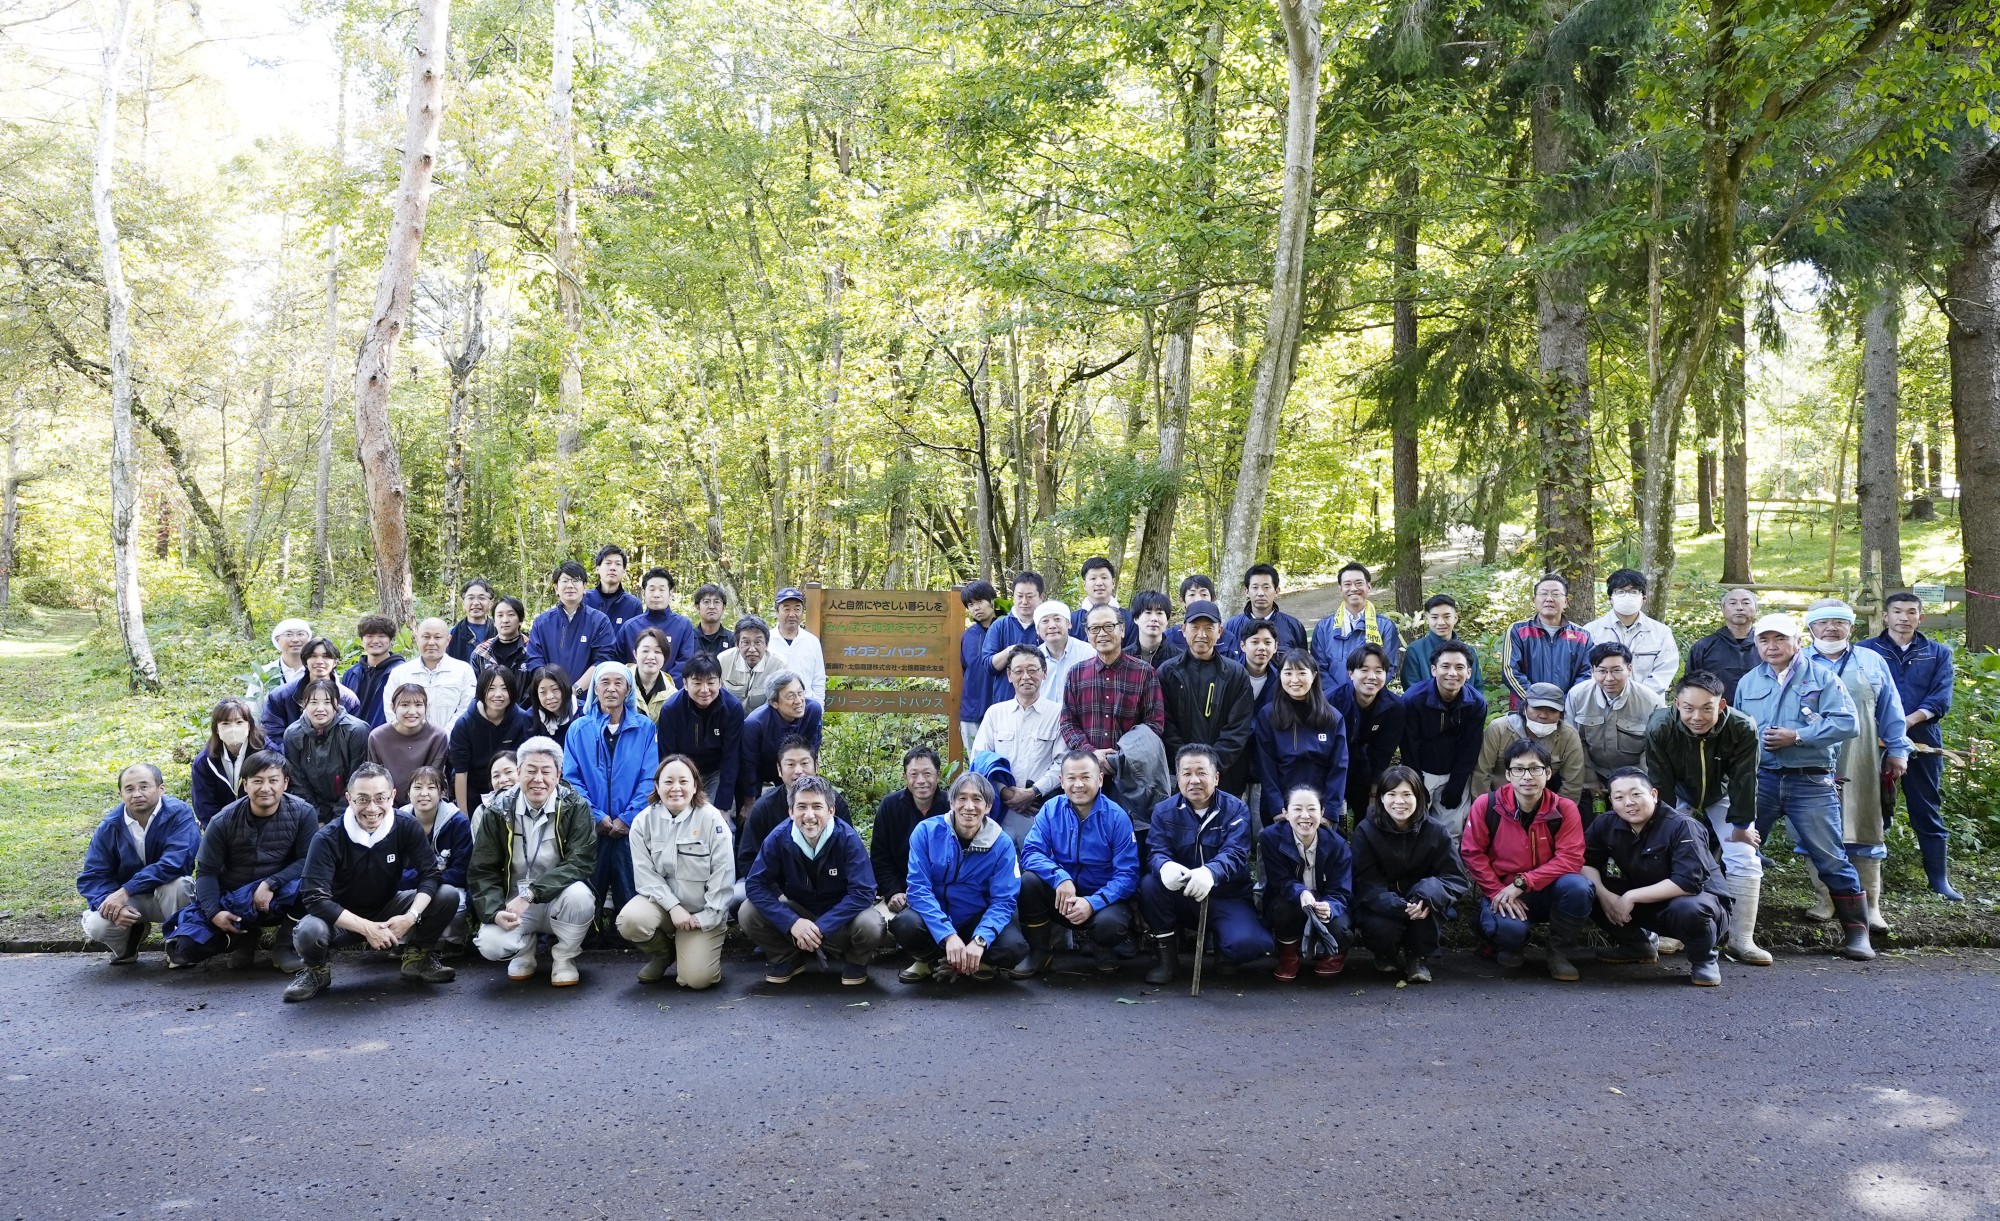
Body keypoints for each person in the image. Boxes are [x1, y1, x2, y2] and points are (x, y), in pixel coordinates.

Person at [1730, 612, 1870, 960]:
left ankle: (1857, 933)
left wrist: (1799, 736)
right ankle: (1726, 929)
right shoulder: (1748, 682)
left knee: (1831, 858)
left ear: (1797, 641)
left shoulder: (1823, 678)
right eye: (1764, 640)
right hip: (1760, 780)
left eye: (1780, 639)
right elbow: (1737, 730)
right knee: (1736, 850)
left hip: (1811, 779)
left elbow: (1848, 724)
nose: (1772, 646)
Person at [284, 764, 458, 1001]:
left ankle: (419, 956)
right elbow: (314, 897)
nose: (372, 808)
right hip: (340, 917)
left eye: (380, 798)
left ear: (393, 796)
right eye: (362, 799)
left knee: (446, 895)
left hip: (388, 906)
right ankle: (316, 971)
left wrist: (411, 916)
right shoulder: (327, 837)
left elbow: (431, 873)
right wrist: (366, 928)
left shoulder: (406, 825)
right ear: (349, 798)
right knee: (308, 930)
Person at [1802, 600, 1911, 933]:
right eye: (1823, 623)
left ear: (1852, 627)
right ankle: (1826, 900)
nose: (1831, 628)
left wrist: (1898, 750)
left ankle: (1871, 905)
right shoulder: (1797, 661)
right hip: (1810, 758)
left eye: (1840, 622)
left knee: (1864, 826)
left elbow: (1891, 709)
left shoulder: (1871, 660)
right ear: (1810, 629)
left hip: (1861, 757)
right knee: (1814, 829)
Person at [1645, 673, 1769, 964]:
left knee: (1745, 855)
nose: (1696, 716)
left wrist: (1741, 826)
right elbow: (1659, 780)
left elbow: (1745, 779)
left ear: (1721, 705)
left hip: (1722, 791)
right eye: (1688, 708)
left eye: (1706, 708)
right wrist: (1664, 825)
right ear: (1676, 704)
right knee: (1664, 851)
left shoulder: (1742, 726)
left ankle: (1741, 940)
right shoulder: (1660, 725)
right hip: (1677, 791)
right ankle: (1671, 930)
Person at [163, 751, 315, 970]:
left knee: (314, 883)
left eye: (273, 781)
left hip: (282, 894)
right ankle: (243, 938)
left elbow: (306, 860)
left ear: (285, 783)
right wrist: (214, 912)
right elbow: (206, 872)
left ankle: (285, 947)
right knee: (186, 949)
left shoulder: (303, 813)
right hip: (236, 898)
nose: (265, 788)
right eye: (257, 781)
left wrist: (271, 882)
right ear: (245, 784)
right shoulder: (222, 820)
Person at [468, 736, 598, 984]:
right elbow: (482, 870)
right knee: (490, 944)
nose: (538, 779)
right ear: (518, 772)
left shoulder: (575, 806)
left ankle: (564, 958)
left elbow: (580, 863)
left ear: (558, 775)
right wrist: (495, 912)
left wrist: (532, 894)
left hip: (557, 899)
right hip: (512, 902)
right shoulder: (496, 810)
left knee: (581, 897)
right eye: (530, 770)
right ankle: (524, 951)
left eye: (546, 771)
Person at [1583, 769, 1732, 986]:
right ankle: (1636, 946)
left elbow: (1688, 882)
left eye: (1636, 794)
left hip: (1700, 904)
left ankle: (1704, 960)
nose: (1628, 803)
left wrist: (1631, 896)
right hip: (1649, 900)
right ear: (1611, 801)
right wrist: (1605, 896)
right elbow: (1586, 862)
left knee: (1687, 908)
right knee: (1586, 889)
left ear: (1653, 794)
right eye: (1619, 797)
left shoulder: (1682, 825)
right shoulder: (1605, 824)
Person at [1139, 745, 1272, 985]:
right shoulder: (1163, 811)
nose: (1194, 780)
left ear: (1216, 777)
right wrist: (1165, 866)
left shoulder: (1236, 809)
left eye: (1202, 772)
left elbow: (1235, 853)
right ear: (1177, 778)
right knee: (1150, 885)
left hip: (1227, 895)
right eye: (1186, 773)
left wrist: (1210, 873)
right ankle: (1167, 960)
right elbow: (1156, 852)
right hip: (1183, 896)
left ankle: (1224, 950)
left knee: (1251, 944)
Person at [1460, 738, 1592, 980]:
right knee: (1509, 932)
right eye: (1519, 769)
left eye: (1535, 768)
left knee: (1579, 887)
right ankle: (1507, 941)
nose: (1527, 776)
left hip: (1548, 890)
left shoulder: (1563, 809)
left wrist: (1522, 883)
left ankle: (1559, 953)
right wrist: (1497, 890)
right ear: (1508, 774)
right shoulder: (1487, 805)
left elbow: (1571, 859)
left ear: (1548, 773)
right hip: (1503, 888)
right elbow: (1472, 852)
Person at [1861, 590, 1960, 899]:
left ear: (1921, 617)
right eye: (1898, 611)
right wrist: (1884, 727)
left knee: (1926, 806)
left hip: (1923, 739)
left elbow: (1940, 698)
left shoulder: (1938, 653)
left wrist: (1904, 722)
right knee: (1870, 807)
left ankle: (1939, 880)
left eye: (1911, 612)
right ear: (1886, 616)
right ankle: (1869, 881)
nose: (1904, 617)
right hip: (1871, 739)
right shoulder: (1864, 651)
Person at [741, 775, 886, 985]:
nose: (809, 815)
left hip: (841, 919)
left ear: (831, 810)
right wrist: (792, 923)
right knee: (748, 911)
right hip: (800, 911)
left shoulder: (847, 839)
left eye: (817, 806)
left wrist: (822, 927)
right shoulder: (778, 837)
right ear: (791, 812)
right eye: (801, 807)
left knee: (871, 924)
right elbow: (755, 884)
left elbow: (864, 892)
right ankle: (788, 959)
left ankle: (856, 962)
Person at [892, 772, 1027, 982]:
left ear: (989, 806)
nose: (969, 806)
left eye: (977, 799)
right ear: (952, 802)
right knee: (905, 924)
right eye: (962, 798)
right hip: (936, 920)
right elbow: (918, 890)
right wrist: (947, 935)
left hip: (976, 919)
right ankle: (932, 960)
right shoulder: (926, 832)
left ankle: (969, 960)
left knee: (1015, 948)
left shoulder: (1002, 844)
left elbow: (1004, 901)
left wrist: (980, 940)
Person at [1016, 750, 1141, 976]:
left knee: (1110, 925)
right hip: (1064, 895)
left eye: (1086, 777)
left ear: (1100, 779)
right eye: (1071, 778)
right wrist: (1060, 877)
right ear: (1062, 781)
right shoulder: (1051, 809)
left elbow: (1128, 875)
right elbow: (1031, 852)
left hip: (1102, 899)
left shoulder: (1117, 816)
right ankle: (1040, 953)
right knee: (1028, 882)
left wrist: (1093, 902)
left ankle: (1101, 947)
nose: (1078, 784)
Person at [615, 755, 734, 989]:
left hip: (701, 913)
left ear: (695, 785)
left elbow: (723, 878)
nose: (676, 788)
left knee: (697, 980)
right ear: (657, 787)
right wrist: (674, 907)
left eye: (683, 781)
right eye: (668, 782)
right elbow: (645, 875)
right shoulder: (642, 822)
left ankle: (690, 949)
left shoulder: (712, 821)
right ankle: (663, 954)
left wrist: (704, 918)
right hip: (664, 907)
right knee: (630, 921)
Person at [563, 662, 660, 935]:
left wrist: (626, 818)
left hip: (630, 826)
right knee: (589, 885)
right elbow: (571, 779)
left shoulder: (645, 727)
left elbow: (649, 777)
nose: (611, 688)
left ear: (629, 689)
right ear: (595, 688)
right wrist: (596, 816)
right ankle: (588, 936)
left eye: (619, 682)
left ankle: (628, 936)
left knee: (628, 884)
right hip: (590, 824)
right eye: (605, 682)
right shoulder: (579, 729)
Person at [1349, 766, 1467, 983]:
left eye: (1406, 794)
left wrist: (1426, 897)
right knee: (1380, 928)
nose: (1399, 801)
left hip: (1421, 900)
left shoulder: (1436, 831)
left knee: (1427, 907)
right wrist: (1396, 905)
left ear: (1418, 796)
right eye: (1391, 794)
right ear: (1381, 798)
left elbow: (1455, 878)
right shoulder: (1365, 831)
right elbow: (1363, 881)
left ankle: (1418, 957)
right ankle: (1386, 953)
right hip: (1382, 903)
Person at [1061, 602, 1171, 823]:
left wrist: (1117, 758)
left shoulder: (1144, 673)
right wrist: (1091, 753)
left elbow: (1154, 724)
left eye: (1109, 626)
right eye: (1095, 628)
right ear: (1087, 634)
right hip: (1087, 774)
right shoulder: (1076, 674)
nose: (1102, 633)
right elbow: (1068, 723)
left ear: (1122, 630)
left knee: (1129, 837)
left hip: (1132, 776)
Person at [78, 765, 199, 965]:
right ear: (120, 794)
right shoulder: (110, 825)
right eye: (129, 789)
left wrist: (126, 890)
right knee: (97, 924)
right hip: (130, 902)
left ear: (161, 789)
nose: (137, 794)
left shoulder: (179, 814)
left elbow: (175, 862)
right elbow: (93, 876)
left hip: (167, 896)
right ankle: (126, 945)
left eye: (144, 787)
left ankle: (180, 947)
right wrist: (112, 906)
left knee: (180, 885)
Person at [1157, 600, 1257, 796]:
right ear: (1183, 630)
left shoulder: (1235, 674)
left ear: (1219, 631)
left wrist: (1211, 768)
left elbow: (1238, 729)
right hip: (1182, 777)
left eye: (1209, 628)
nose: (1201, 635)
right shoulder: (1167, 672)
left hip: (1225, 777)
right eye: (1195, 627)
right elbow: (1165, 726)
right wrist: (1187, 766)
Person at [733, 739, 855, 898]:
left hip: (825, 885)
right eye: (790, 765)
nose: (799, 771)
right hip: (774, 884)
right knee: (738, 897)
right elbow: (748, 859)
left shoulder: (834, 802)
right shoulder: (763, 807)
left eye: (805, 763)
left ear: (816, 766)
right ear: (779, 769)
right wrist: (774, 891)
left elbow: (849, 851)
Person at [1259, 784, 1355, 981]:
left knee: (1340, 926)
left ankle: (1335, 953)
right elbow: (1280, 881)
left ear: (1322, 813)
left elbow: (1341, 890)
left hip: (1325, 900)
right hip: (1291, 899)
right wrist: (1301, 893)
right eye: (1297, 809)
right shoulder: (1270, 837)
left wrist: (1330, 906)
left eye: (1312, 809)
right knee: (1283, 908)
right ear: (1285, 813)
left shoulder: (1338, 844)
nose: (1305, 816)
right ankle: (1288, 956)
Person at [1400, 641, 1488, 840]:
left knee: (1453, 831)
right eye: (1445, 666)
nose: (1452, 673)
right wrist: (1417, 782)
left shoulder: (1476, 703)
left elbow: (1470, 746)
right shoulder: (1413, 699)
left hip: (1455, 772)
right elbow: (1408, 744)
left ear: (1468, 672)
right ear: (1434, 669)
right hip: (1421, 769)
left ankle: (1449, 870)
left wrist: (1456, 784)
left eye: (1459, 667)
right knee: (1413, 825)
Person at [1566, 643, 1665, 815]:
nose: (1609, 678)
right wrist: (1589, 779)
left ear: (1629, 669)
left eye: (1616, 670)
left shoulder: (1649, 700)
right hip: (1593, 772)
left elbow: (1653, 749)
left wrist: (1638, 784)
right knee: (1591, 822)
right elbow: (1574, 742)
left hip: (1636, 774)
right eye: (1602, 671)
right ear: (1592, 671)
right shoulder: (1577, 696)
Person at [1254, 650, 1348, 826]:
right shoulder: (1268, 715)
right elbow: (1265, 765)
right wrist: (1276, 808)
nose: (1294, 680)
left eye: (1301, 673)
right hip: (1281, 807)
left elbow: (1339, 768)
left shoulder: (1332, 717)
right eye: (1288, 673)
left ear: (1313, 676)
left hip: (1320, 809)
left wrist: (1329, 810)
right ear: (1280, 676)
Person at [972, 646, 1066, 819]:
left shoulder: (1058, 714)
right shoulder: (995, 713)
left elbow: (1062, 762)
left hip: (1040, 810)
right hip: (999, 809)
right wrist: (1005, 792)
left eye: (1032, 670)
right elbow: (979, 759)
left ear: (1044, 673)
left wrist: (1034, 792)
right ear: (1009, 675)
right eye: (1018, 671)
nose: (1026, 677)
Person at [654, 652, 746, 813]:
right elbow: (667, 755)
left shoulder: (733, 708)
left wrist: (723, 807)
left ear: (720, 682)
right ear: (685, 683)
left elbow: (731, 757)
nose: (705, 690)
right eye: (697, 683)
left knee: (720, 822)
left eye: (711, 682)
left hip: (716, 771)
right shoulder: (671, 709)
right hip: (682, 770)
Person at [1329, 643, 1405, 826]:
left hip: (1367, 770)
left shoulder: (1394, 707)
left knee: (1370, 820)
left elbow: (1383, 755)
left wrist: (1374, 796)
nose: (1372, 677)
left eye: (1379, 671)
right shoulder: (1330, 701)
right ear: (1350, 673)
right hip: (1331, 769)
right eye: (1364, 670)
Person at [870, 747, 946, 924]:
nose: (921, 781)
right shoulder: (890, 806)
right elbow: (880, 857)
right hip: (902, 893)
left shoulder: (951, 808)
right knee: (879, 928)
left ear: (938, 775)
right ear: (905, 777)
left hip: (942, 895)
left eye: (927, 773)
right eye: (913, 774)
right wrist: (893, 891)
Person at [399, 766, 471, 954]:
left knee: (457, 903)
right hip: (409, 886)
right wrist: (423, 881)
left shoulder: (458, 822)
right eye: (417, 788)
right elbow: (393, 870)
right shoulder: (398, 822)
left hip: (447, 885)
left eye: (431, 787)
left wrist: (429, 882)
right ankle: (403, 941)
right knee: (398, 898)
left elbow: (461, 870)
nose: (424, 794)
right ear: (408, 792)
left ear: (442, 792)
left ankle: (453, 942)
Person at [1473, 682, 1589, 798]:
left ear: (1561, 714)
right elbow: (1481, 773)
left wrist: (1557, 812)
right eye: (1537, 708)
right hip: (1497, 798)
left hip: (1542, 802)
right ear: (1524, 707)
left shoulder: (1569, 736)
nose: (1543, 715)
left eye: (1552, 710)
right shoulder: (1498, 729)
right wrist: (1486, 808)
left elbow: (1572, 783)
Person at [282, 679, 371, 824]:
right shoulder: (292, 734)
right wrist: (316, 818)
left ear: (337, 704)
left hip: (350, 806)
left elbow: (357, 778)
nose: (320, 708)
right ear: (303, 704)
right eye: (314, 702)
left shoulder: (355, 730)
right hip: (311, 808)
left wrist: (338, 820)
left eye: (327, 702)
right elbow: (298, 783)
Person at [449, 667, 535, 815]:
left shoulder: (522, 720)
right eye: (491, 688)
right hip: (474, 791)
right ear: (482, 691)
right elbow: (461, 772)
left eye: (504, 689)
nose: (498, 695)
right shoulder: (464, 724)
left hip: (513, 790)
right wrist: (463, 816)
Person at [525, 560, 619, 695]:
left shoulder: (599, 621)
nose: (570, 585)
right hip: (550, 701)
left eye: (575, 580)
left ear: (585, 587)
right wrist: (553, 692)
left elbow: (602, 661)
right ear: (556, 588)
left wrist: (575, 690)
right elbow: (534, 661)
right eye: (564, 581)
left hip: (587, 701)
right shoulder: (542, 623)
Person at [1502, 574, 1593, 709]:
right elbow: (1510, 671)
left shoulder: (1582, 635)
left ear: (1566, 601)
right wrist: (1535, 700)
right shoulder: (1519, 630)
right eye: (1543, 594)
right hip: (1526, 708)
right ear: (1534, 600)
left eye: (1556, 594)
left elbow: (1588, 673)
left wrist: (1566, 702)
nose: (1549, 599)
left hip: (1568, 708)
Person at [1584, 569, 1680, 694]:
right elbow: (1586, 670)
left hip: (1648, 705)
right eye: (1620, 592)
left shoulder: (1661, 633)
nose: (1627, 596)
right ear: (1610, 599)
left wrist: (1636, 696)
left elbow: (1665, 672)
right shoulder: (1591, 631)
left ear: (1644, 598)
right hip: (1602, 704)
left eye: (1634, 592)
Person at [1311, 562, 1403, 687]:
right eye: (1347, 584)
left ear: (1369, 587)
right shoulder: (1324, 627)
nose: (1353, 588)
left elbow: (1389, 667)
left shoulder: (1385, 626)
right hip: (1332, 701)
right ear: (1340, 589)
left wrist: (1363, 694)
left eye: (1359, 583)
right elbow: (1318, 667)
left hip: (1371, 700)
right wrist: (1340, 695)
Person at [384, 618, 478, 733]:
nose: (431, 642)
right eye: (426, 637)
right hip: (409, 744)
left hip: (451, 743)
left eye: (438, 637)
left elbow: (466, 709)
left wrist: (443, 736)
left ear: (448, 640)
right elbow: (390, 710)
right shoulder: (400, 672)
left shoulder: (463, 670)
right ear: (417, 639)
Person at [740, 672, 825, 798]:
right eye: (790, 696)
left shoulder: (813, 711)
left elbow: (812, 752)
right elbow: (748, 764)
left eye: (800, 693)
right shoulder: (755, 723)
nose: (798, 701)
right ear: (774, 703)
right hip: (759, 768)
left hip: (791, 767)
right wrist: (749, 800)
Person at [259, 636, 359, 741]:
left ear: (335, 662)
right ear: (305, 661)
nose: (319, 661)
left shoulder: (348, 699)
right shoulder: (280, 696)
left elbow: (354, 737)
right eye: (313, 656)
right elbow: (272, 736)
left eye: (326, 656)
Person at [365, 683, 451, 804]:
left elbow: (434, 778)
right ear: (393, 707)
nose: (412, 711)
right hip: (388, 804)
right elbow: (376, 778)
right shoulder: (377, 737)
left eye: (418, 705)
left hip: (426, 802)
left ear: (426, 707)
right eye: (404, 705)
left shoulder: (438, 735)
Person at [190, 697, 266, 827]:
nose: (233, 728)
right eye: (225, 723)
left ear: (249, 725)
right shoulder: (204, 761)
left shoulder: (266, 752)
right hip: (223, 828)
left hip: (263, 823)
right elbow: (205, 805)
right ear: (217, 728)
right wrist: (219, 833)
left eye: (239, 722)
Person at [979, 572, 1048, 706]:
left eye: (1030, 596)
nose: (1024, 601)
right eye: (1019, 596)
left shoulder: (1049, 626)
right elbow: (988, 665)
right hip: (1006, 702)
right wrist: (1011, 651)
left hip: (1044, 704)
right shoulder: (999, 626)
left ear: (1041, 597)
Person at [618, 567, 700, 676]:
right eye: (651, 589)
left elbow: (685, 663)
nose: (656, 595)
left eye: (662, 589)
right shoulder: (630, 627)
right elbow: (619, 663)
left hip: (671, 690)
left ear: (670, 593)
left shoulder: (683, 626)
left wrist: (666, 689)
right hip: (633, 689)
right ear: (643, 593)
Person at [1683, 587, 1761, 701]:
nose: (1739, 607)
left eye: (1746, 603)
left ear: (1756, 609)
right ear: (1723, 609)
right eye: (1733, 603)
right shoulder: (1704, 647)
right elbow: (1690, 686)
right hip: (1717, 713)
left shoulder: (1767, 646)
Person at [1400, 594, 1484, 694]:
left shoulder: (1469, 651)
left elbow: (1477, 689)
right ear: (1427, 619)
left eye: (1447, 617)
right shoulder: (1415, 650)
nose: (1441, 622)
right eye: (1435, 617)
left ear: (1455, 618)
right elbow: (1411, 690)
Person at [1223, 563, 1307, 653]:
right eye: (1255, 587)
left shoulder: (1293, 626)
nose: (1260, 593)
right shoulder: (1231, 626)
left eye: (1266, 587)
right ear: (1246, 591)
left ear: (1276, 591)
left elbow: (1303, 663)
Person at [957, 579, 999, 751]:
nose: (976, 608)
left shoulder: (1005, 627)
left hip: (999, 710)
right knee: (975, 765)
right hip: (971, 710)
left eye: (980, 601)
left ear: (992, 601)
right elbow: (964, 668)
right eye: (970, 604)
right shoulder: (969, 635)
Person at [342, 615, 405, 729]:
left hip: (385, 738)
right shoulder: (352, 673)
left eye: (381, 636)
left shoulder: (401, 672)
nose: (375, 641)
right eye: (369, 636)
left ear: (391, 640)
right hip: (352, 739)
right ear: (362, 640)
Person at [766, 587, 828, 703]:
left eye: (797, 609)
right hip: (775, 708)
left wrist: (818, 708)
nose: (792, 614)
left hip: (806, 707)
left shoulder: (812, 641)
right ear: (777, 612)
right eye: (786, 609)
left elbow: (818, 679)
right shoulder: (766, 641)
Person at [1068, 556, 1136, 646]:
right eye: (1093, 578)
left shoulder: (1129, 619)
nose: (1099, 583)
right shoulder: (1072, 620)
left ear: (1113, 583)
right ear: (1084, 585)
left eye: (1104, 577)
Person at [718, 616, 779, 713]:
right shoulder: (723, 661)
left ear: (766, 644)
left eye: (758, 642)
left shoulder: (778, 664)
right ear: (737, 645)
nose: (752, 649)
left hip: (764, 720)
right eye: (746, 642)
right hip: (729, 717)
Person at [1033, 599, 1093, 695]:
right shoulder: (1033, 658)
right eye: (1045, 621)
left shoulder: (1089, 653)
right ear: (1037, 630)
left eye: (1057, 619)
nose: (1052, 626)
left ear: (1069, 624)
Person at [584, 543, 644, 637]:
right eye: (608, 563)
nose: (612, 568)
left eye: (618, 564)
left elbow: (636, 641)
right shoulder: (584, 600)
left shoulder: (633, 605)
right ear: (597, 569)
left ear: (624, 571)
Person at [469, 596, 531, 680]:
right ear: (494, 621)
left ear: (520, 620)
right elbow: (474, 689)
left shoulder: (532, 651)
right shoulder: (480, 653)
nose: (505, 620)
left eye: (511, 614)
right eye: (500, 615)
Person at [254, 618, 313, 698]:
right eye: (288, 635)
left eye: (300, 634)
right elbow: (253, 708)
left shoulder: (320, 671)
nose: (295, 639)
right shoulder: (263, 673)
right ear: (277, 640)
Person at [1126, 590, 1184, 670]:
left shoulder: (1180, 659)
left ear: (1167, 620)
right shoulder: (1122, 657)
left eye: (1159, 613)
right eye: (1148, 612)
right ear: (1136, 618)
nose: (1154, 619)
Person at [629, 628, 677, 721]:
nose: (651, 657)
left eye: (657, 652)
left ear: (665, 656)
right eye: (645, 651)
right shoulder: (620, 684)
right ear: (635, 654)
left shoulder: (672, 695)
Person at [524, 664, 577, 745]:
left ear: (565, 688)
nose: (550, 697)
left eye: (555, 689)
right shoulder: (531, 717)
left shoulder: (583, 712)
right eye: (543, 692)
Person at [448, 578, 496, 665]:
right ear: (463, 603)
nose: (476, 602)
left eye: (481, 598)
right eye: (471, 598)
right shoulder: (450, 634)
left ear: (490, 604)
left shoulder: (500, 632)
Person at [1238, 619, 1280, 710]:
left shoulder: (1281, 680)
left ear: (1275, 647)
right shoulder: (1229, 676)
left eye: (1268, 642)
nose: (1262, 648)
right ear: (1243, 646)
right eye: (1255, 642)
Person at [689, 583, 736, 659]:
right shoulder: (689, 638)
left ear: (723, 607)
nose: (711, 607)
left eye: (716, 602)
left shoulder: (733, 639)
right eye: (706, 602)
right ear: (697, 607)